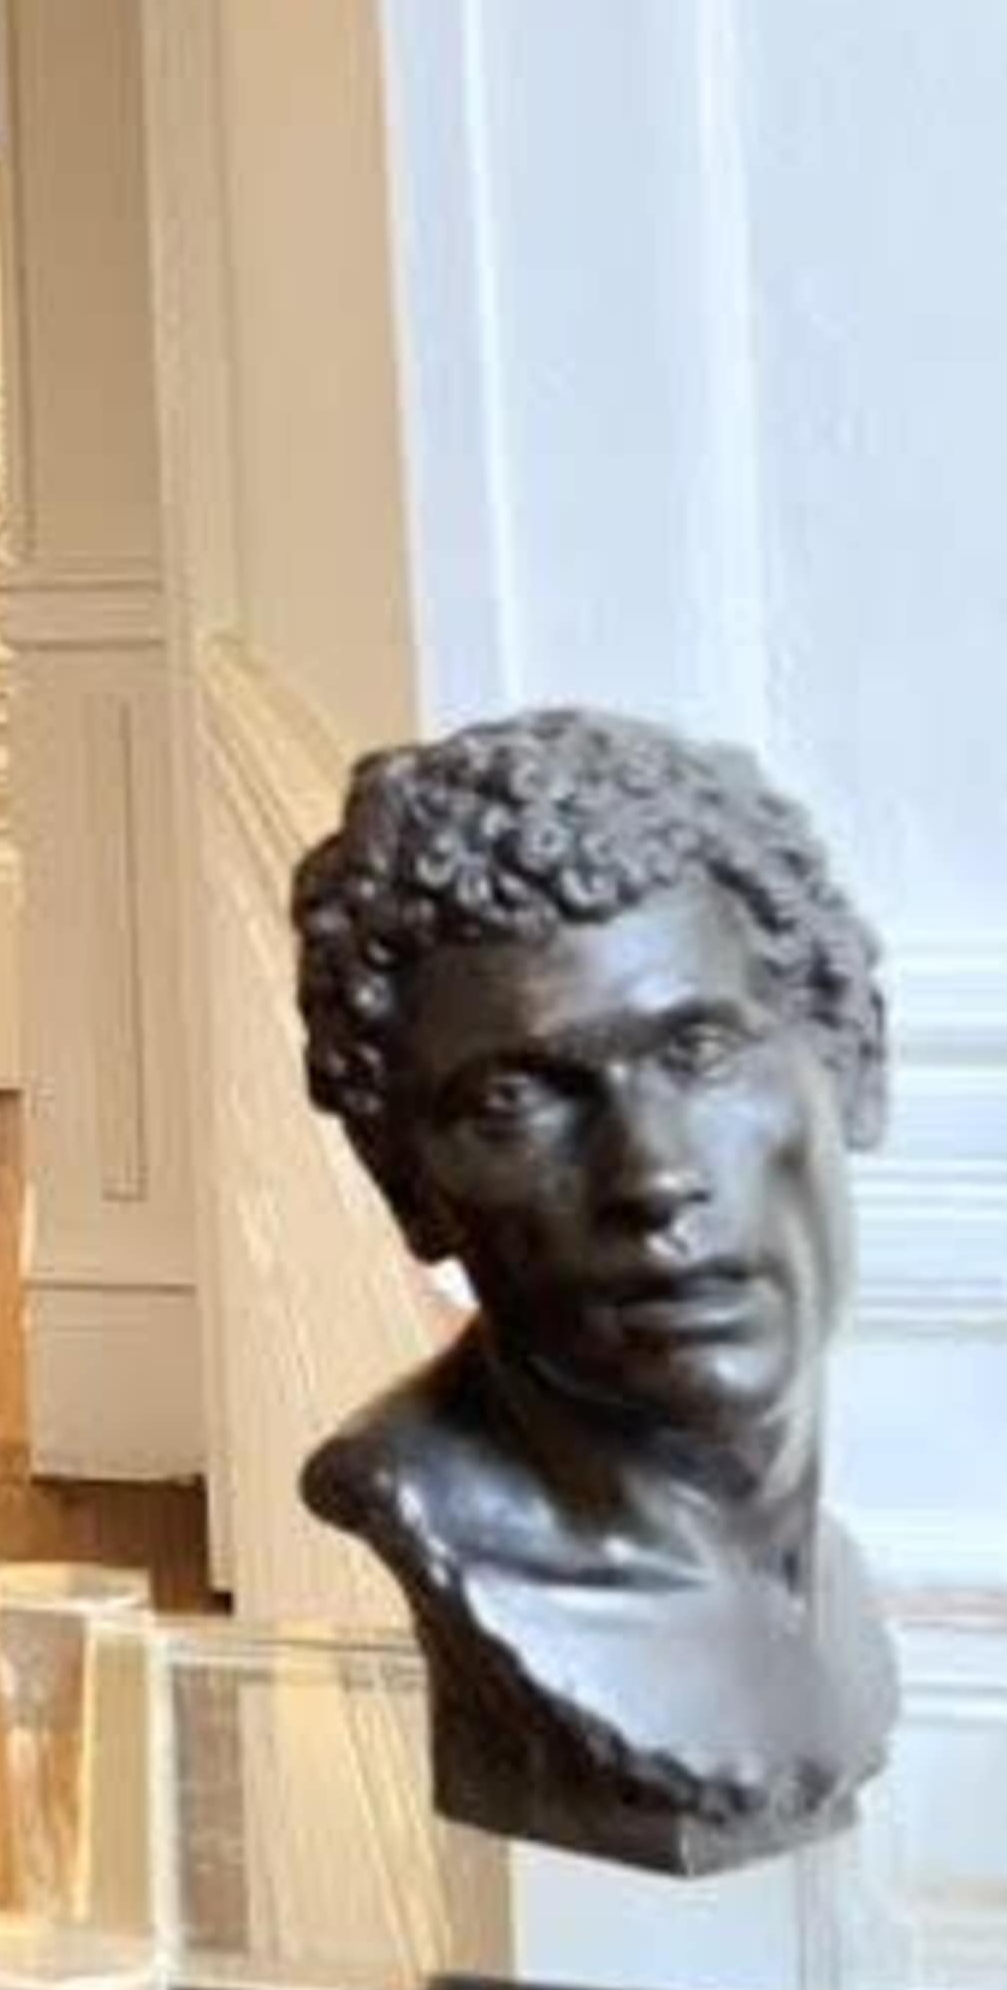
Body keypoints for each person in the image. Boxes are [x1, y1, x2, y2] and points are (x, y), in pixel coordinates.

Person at [291, 708, 899, 1875]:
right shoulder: (447, 1525)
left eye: (700, 1053)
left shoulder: (831, 1587)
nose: (653, 1177)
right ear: (406, 1182)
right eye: (517, 1101)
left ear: (855, 1060)